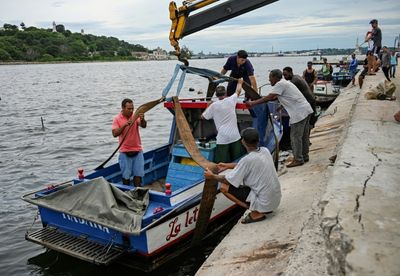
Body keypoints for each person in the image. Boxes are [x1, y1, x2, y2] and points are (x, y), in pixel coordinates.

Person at [204, 127, 281, 224]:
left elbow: (228, 180)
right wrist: (227, 165)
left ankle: (254, 212)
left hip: (265, 203)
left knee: (224, 187)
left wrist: (212, 176)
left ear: (243, 142)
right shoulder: (265, 151)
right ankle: (260, 208)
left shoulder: (247, 160)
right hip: (275, 201)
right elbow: (247, 166)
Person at [247, 69, 313, 167]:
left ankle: (298, 159)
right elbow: (287, 97)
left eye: (270, 78)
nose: (269, 80)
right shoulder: (285, 83)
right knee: (303, 136)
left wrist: (253, 103)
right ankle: (304, 156)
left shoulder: (280, 85)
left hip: (299, 113)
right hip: (306, 109)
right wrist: (281, 106)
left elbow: (269, 97)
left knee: (295, 137)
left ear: (275, 77)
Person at [202, 79, 244, 163]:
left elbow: (203, 117)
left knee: (221, 163)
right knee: (238, 161)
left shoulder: (213, 105)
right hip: (235, 136)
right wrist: (240, 82)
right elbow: (238, 91)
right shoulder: (231, 100)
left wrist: (208, 105)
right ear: (225, 93)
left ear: (216, 95)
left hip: (222, 138)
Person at [112, 98, 147, 186]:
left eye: (132, 108)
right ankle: (127, 194)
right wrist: (125, 125)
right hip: (124, 152)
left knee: (138, 175)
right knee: (126, 177)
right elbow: (114, 134)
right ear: (123, 108)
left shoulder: (135, 116)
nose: (131, 111)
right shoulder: (117, 119)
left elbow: (143, 126)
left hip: (137, 151)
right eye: (129, 109)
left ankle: (138, 193)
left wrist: (142, 119)